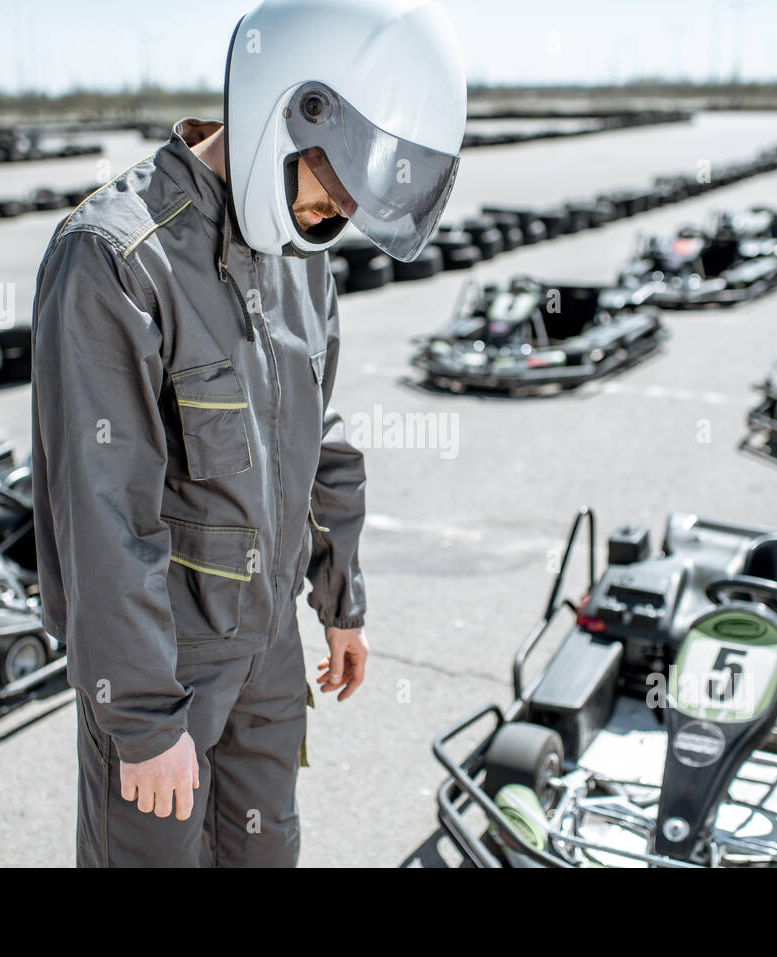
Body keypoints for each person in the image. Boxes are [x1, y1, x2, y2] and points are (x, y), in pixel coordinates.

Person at [29, 0, 466, 867]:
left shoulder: (300, 253)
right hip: (166, 661)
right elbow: (101, 514)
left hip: (267, 650)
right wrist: (146, 720)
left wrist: (341, 599)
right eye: (336, 181)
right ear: (292, 108)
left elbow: (322, 435)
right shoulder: (116, 258)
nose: (337, 210)